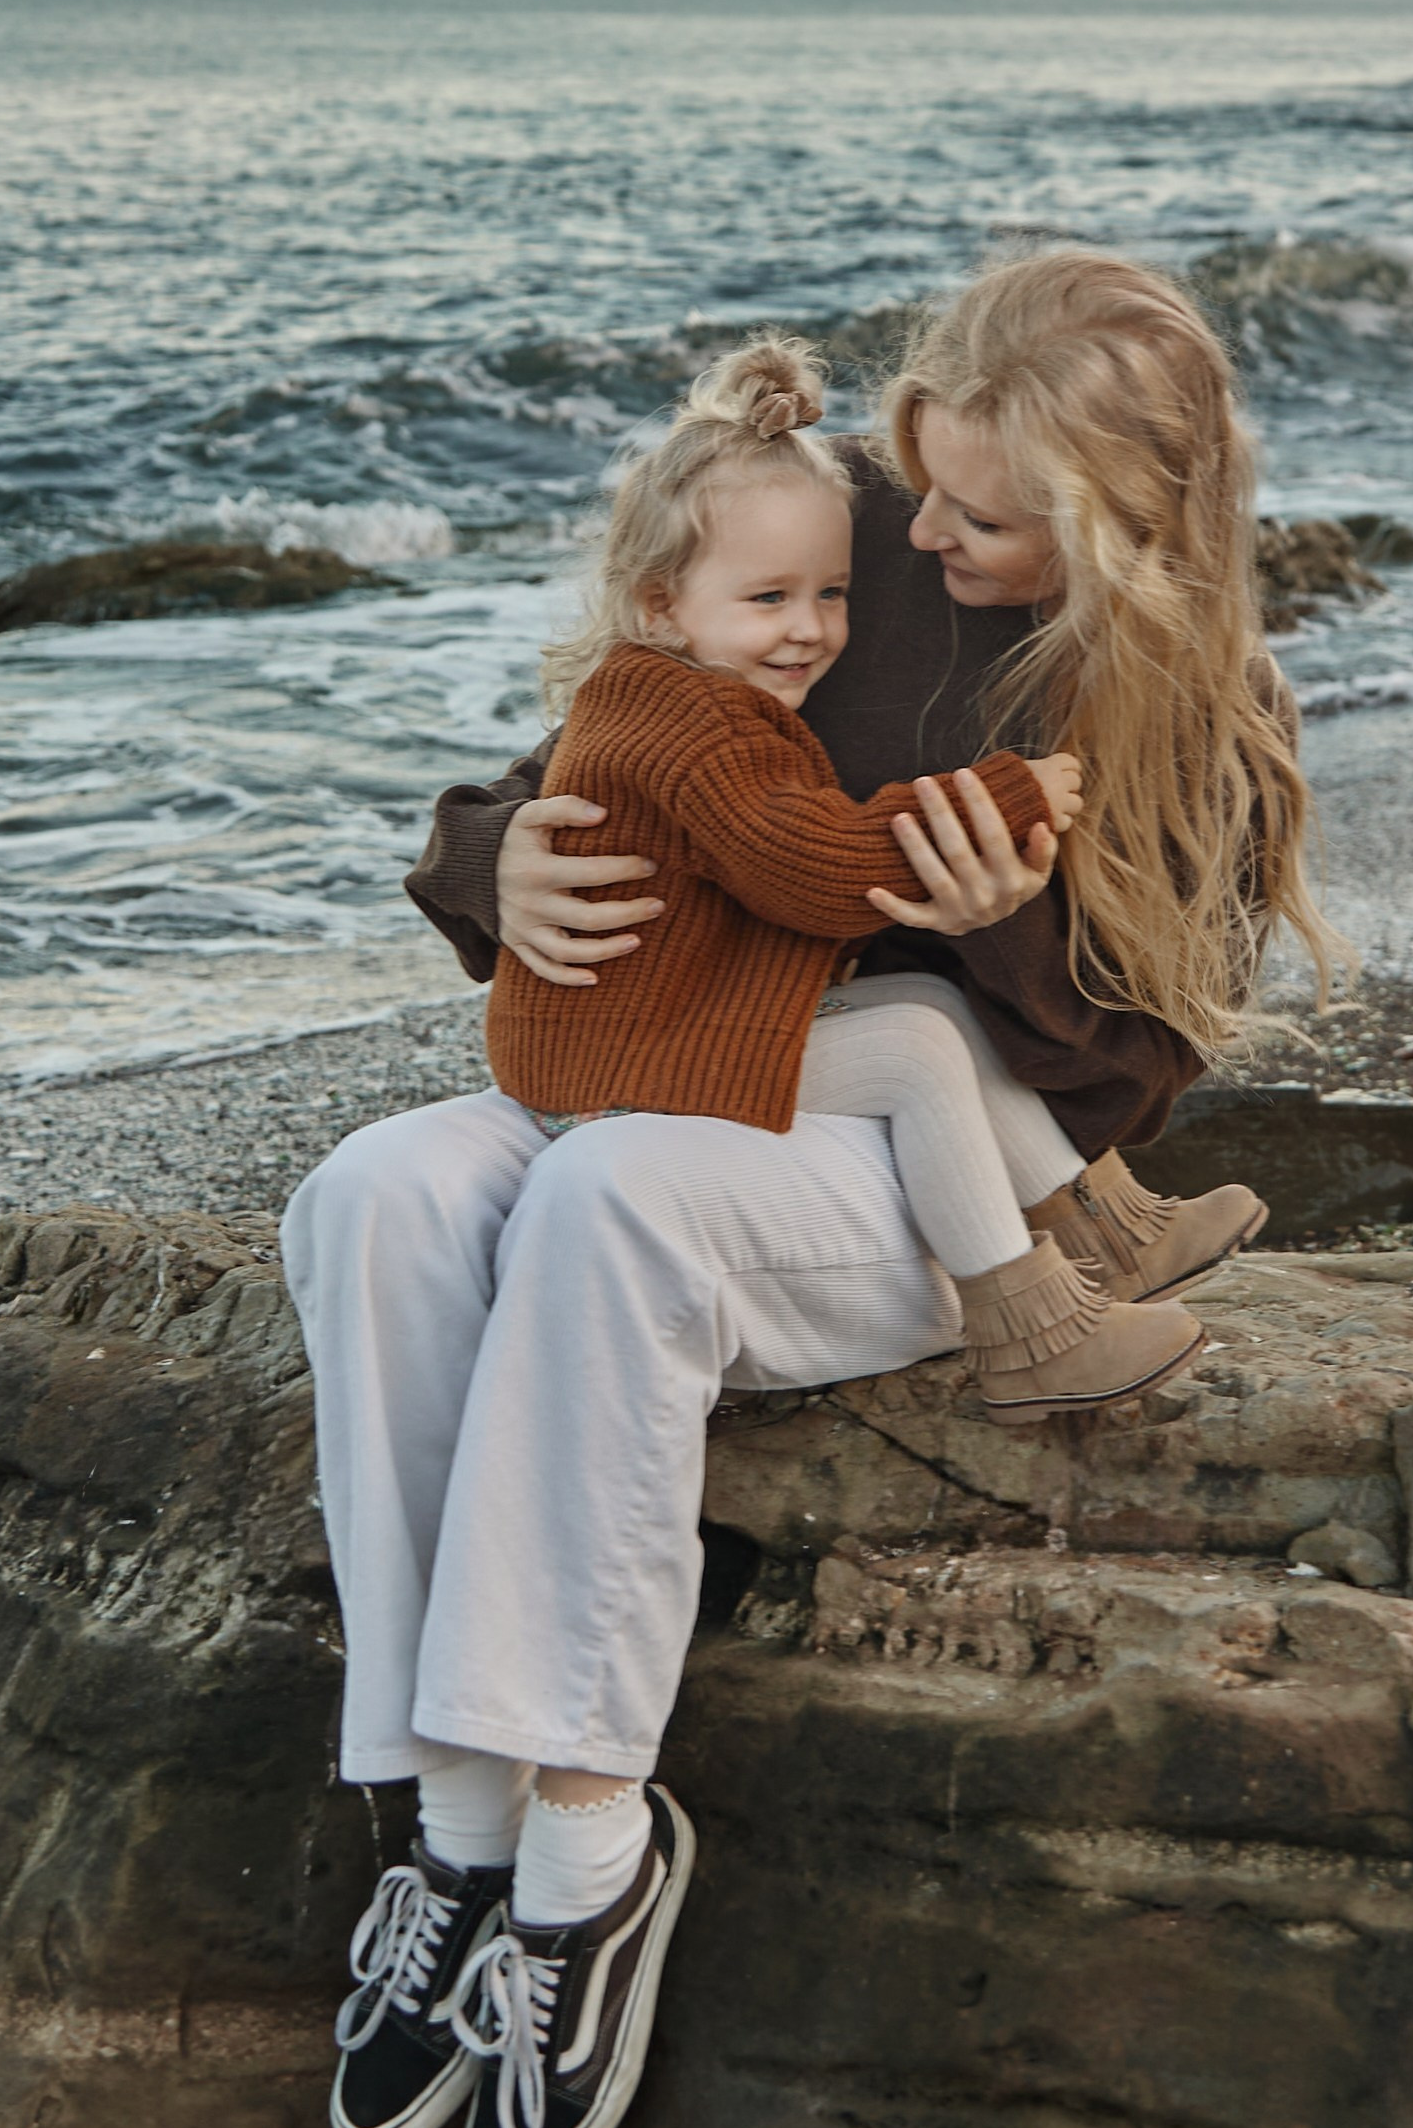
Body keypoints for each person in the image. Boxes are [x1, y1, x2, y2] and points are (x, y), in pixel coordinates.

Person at [279, 247, 1335, 2128]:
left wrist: (961, 913)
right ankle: (454, 1819)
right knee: (377, 1193)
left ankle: (591, 1856)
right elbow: (599, 744)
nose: (913, 535)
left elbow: (1120, 1070)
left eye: (981, 520)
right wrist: (485, 863)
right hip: (675, 1054)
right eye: (914, 481)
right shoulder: (834, 532)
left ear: (1117, 527)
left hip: (913, 1169)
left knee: (607, 1200)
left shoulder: (1196, 707)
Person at [481, 329, 1230, 1422]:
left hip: (669, 1017)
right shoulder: (684, 715)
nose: (813, 629)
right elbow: (816, 867)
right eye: (771, 601)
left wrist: (1000, 918)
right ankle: (1027, 1331)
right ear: (656, 605)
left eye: (830, 595)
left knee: (926, 1000)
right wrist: (1007, 799)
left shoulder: (698, 681)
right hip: (619, 1065)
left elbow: (1162, 1019)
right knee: (919, 1046)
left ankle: (1106, 1227)